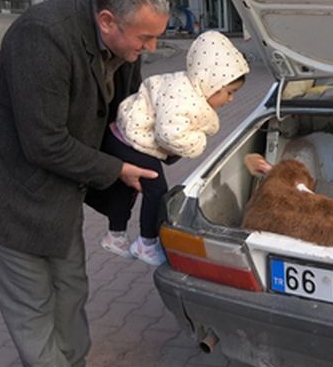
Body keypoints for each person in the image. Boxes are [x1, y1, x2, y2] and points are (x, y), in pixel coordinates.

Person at [0, 0, 171, 367]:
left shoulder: (121, 48)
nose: (152, 47)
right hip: (4, 198)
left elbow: (122, 119)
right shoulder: (42, 36)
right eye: (145, 38)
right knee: (34, 308)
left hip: (58, 193)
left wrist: (168, 139)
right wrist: (117, 169)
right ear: (107, 21)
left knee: (70, 290)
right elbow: (44, 142)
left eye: (157, 36)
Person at [88, 31, 250, 265]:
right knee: (156, 189)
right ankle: (147, 243)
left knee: (129, 186)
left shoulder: (184, 83)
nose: (230, 99)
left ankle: (116, 235)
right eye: (229, 92)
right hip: (133, 141)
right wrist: (198, 142)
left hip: (121, 136)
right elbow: (169, 134)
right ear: (211, 82)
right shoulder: (185, 96)